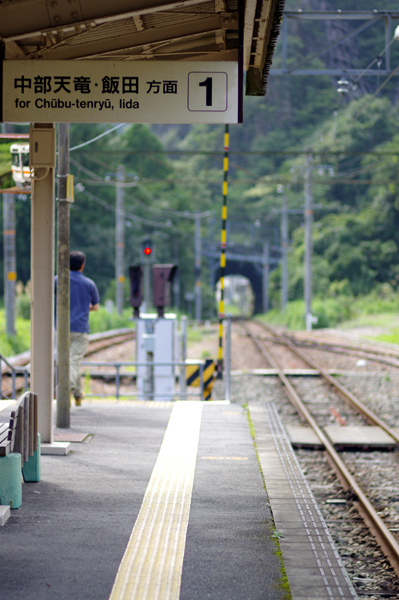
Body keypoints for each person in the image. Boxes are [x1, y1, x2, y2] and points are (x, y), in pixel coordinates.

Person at [55, 251, 100, 406]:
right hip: (80, 329)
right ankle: (67, 387)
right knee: (74, 361)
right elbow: (95, 306)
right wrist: (84, 307)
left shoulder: (57, 280)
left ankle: (78, 395)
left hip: (61, 328)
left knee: (67, 361)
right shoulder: (89, 284)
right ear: (82, 265)